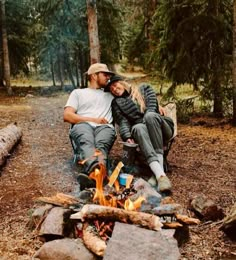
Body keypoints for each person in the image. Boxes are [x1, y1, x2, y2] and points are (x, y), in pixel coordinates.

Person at [105, 75, 174, 192]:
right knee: (137, 128)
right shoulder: (117, 103)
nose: (114, 90)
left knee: (150, 116)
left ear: (122, 82)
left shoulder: (144, 88)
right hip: (144, 131)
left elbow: (152, 108)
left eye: (115, 85)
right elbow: (123, 122)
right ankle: (160, 175)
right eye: (111, 90)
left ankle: (157, 172)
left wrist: (151, 116)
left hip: (161, 127)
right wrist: (127, 136)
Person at [64, 63, 116, 190]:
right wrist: (93, 119)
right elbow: (67, 116)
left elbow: (135, 98)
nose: (108, 77)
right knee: (86, 141)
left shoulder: (111, 94)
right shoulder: (78, 93)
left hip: (105, 127)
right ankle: (99, 172)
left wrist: (156, 106)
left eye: (109, 75)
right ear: (94, 76)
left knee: (101, 144)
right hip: (83, 124)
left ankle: (94, 175)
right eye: (105, 74)